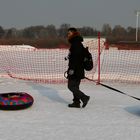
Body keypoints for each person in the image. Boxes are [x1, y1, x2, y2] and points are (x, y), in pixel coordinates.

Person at [66, 27, 90, 108]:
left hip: (75, 69)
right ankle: (76, 102)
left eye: (69, 33)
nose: (68, 35)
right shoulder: (77, 43)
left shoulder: (75, 43)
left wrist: (72, 69)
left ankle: (84, 97)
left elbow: (75, 58)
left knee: (71, 86)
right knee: (75, 86)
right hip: (79, 69)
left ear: (74, 33)